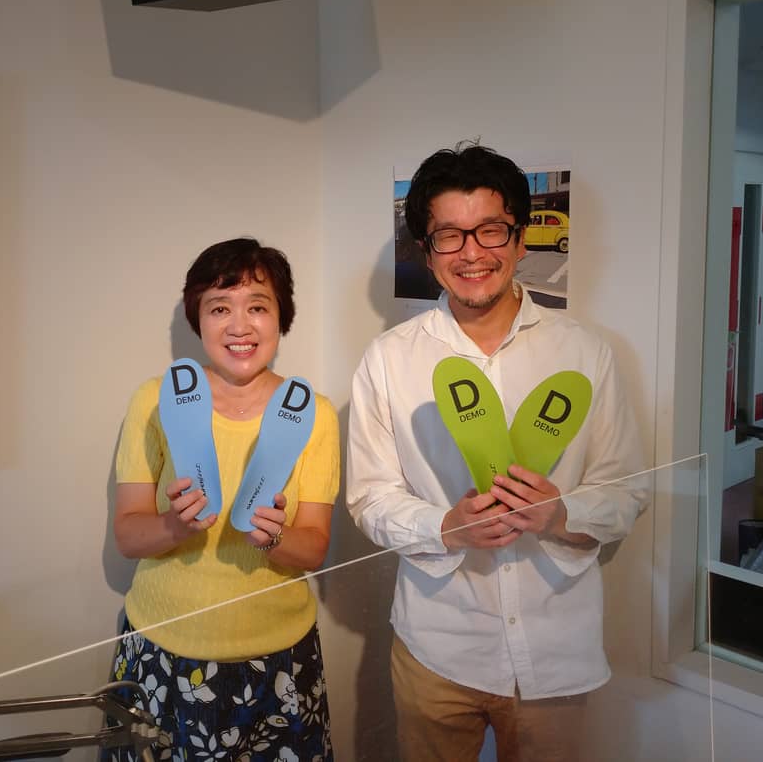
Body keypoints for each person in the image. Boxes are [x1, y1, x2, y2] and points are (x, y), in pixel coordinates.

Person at [346, 144, 647, 762]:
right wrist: (445, 527)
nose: (471, 253)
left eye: (490, 229)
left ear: (520, 238)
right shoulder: (389, 359)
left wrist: (561, 514)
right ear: (427, 251)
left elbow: (627, 490)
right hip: (437, 643)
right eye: (449, 236)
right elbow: (369, 497)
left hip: (555, 648)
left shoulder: (586, 354)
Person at [107, 238, 339, 762]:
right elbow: (127, 536)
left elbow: (314, 549)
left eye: (258, 306)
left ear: (281, 317)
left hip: (279, 660)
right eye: (219, 308)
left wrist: (273, 538)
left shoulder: (313, 413)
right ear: (199, 319)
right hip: (161, 652)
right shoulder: (156, 399)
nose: (239, 326)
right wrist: (175, 526)